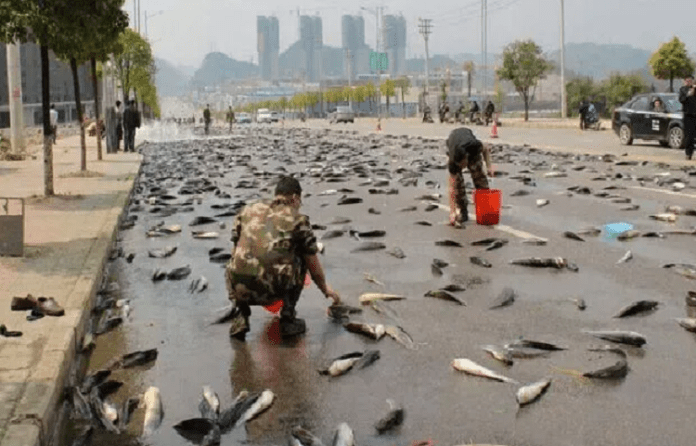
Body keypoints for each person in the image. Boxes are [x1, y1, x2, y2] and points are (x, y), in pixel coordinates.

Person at [225, 176, 342, 340]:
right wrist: (325, 289)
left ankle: (241, 316)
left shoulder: (246, 210)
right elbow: (312, 262)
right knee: (302, 258)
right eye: (299, 202)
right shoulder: (298, 219)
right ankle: (288, 318)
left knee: (238, 260)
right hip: (273, 288)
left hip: (239, 288)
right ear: (295, 198)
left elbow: (236, 248)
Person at [446, 127, 493, 226]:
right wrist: (452, 211)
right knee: (457, 184)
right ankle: (462, 211)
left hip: (467, 140)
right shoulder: (453, 162)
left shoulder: (474, 146)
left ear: (466, 158)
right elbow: (451, 188)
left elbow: (486, 149)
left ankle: (485, 209)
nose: (463, 168)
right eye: (460, 166)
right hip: (453, 141)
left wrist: (489, 167)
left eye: (463, 165)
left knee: (478, 175)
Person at [679, 75, 696, 160]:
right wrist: (689, 93)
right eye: (686, 81)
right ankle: (688, 153)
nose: (688, 82)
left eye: (690, 81)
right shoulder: (683, 89)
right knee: (689, 135)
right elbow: (681, 100)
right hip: (688, 115)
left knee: (694, 136)